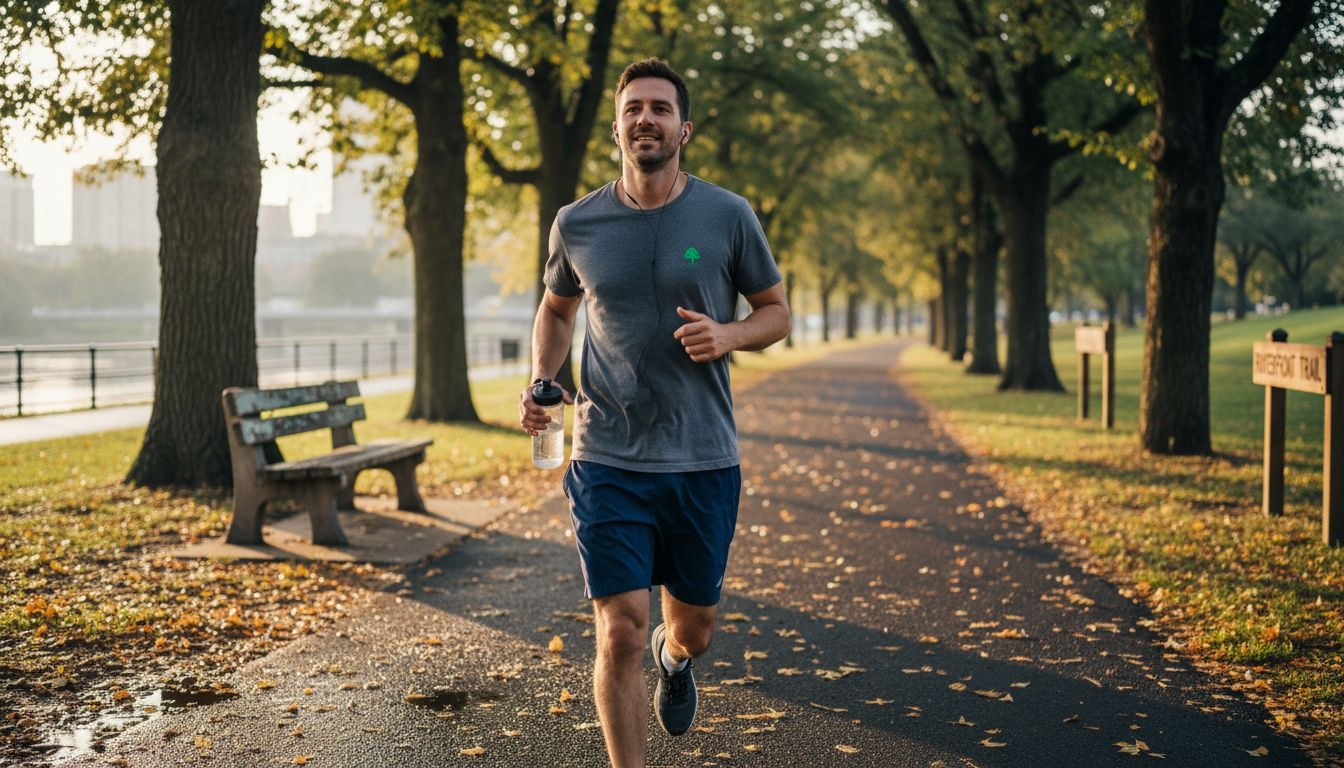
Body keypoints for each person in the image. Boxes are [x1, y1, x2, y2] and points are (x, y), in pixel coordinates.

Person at [518, 57, 790, 767]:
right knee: (620, 632)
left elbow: (777, 312)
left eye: (660, 108)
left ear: (683, 129)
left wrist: (730, 334)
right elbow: (555, 308)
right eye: (634, 107)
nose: (646, 118)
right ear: (616, 127)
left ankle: (678, 661)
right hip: (608, 456)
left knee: (690, 626)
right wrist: (542, 378)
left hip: (703, 458)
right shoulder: (576, 223)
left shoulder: (727, 215)